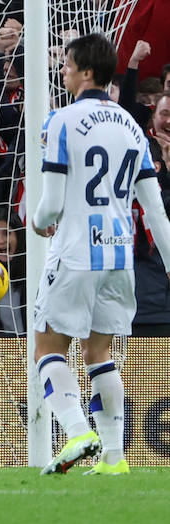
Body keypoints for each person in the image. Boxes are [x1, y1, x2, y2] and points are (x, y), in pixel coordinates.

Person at [31, 33, 170, 476]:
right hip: (119, 255)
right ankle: (113, 457)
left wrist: (38, 222)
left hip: (74, 251)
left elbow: (51, 204)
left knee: (46, 348)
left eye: (68, 64)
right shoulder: (133, 126)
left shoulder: (61, 121)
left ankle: (76, 431)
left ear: (87, 71)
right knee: (98, 352)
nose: (63, 70)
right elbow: (156, 213)